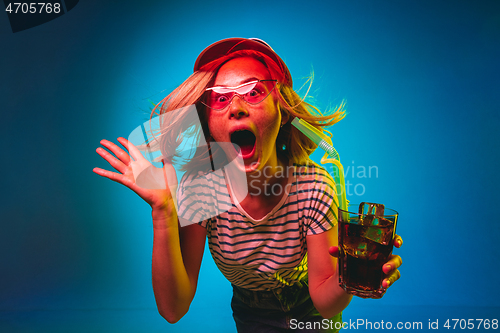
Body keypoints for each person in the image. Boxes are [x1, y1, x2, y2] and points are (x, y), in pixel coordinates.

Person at [93, 38, 403, 332]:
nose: (237, 107)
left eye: (254, 92)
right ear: (209, 125)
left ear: (280, 111)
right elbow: (173, 309)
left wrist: (351, 276)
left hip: (311, 312)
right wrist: (163, 211)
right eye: (221, 98)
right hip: (250, 313)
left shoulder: (313, 187)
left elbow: (324, 301)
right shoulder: (201, 193)